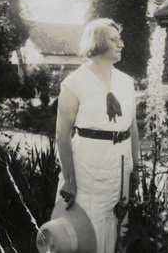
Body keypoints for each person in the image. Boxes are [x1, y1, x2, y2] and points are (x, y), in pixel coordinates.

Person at [55, 18, 140, 252]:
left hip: (120, 166)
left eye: (120, 39)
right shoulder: (74, 84)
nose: (121, 44)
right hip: (87, 167)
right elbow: (62, 134)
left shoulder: (126, 82)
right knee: (86, 229)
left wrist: (137, 168)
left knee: (116, 229)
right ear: (99, 43)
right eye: (114, 40)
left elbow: (132, 128)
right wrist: (69, 179)